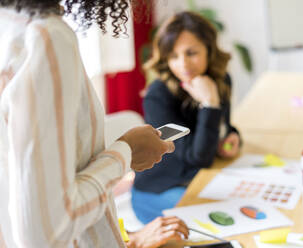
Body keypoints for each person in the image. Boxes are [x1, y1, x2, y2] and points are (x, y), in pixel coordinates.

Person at [0, 1, 189, 247]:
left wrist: (129, 239)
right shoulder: (46, 38)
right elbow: (47, 232)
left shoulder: (11, 27)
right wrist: (125, 153)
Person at [132, 11, 241, 224]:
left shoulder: (221, 80)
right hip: (159, 191)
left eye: (191, 53)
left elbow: (222, 127)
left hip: (197, 180)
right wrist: (210, 103)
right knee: (227, 221)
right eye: (173, 56)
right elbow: (198, 157)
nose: (183, 64)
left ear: (209, 50)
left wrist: (232, 137)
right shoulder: (158, 95)